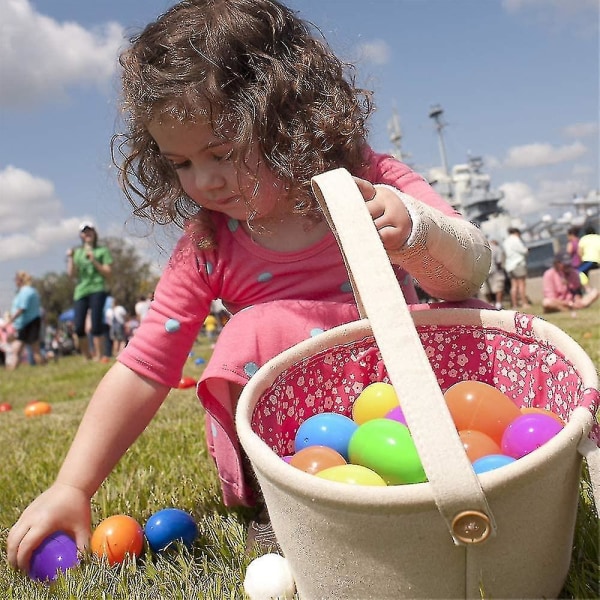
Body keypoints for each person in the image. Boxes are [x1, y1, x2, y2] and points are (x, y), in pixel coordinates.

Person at [7, 0, 491, 571]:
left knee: (471, 318)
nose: (204, 180)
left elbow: (468, 271)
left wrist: (416, 229)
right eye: (180, 163)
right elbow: (144, 367)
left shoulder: (367, 180)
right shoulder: (212, 242)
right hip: (292, 446)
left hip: (407, 402)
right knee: (254, 328)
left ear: (290, 117)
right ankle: (281, 506)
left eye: (222, 152)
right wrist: (73, 485)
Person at [66, 222, 113, 360]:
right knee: (79, 326)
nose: (88, 234)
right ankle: (87, 356)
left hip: (98, 288)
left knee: (96, 323)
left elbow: (108, 273)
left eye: (90, 231)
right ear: (81, 235)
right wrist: (70, 258)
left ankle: (99, 356)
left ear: (94, 233)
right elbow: (71, 274)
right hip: (81, 291)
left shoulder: (102, 250)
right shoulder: (78, 253)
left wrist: (94, 261)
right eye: (85, 232)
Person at [4, 271, 46, 370]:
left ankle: (43, 367)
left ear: (20, 280)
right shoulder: (26, 291)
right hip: (24, 324)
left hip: (29, 323)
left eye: (16, 279)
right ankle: (12, 370)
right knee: (17, 349)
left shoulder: (26, 291)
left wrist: (10, 320)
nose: (15, 282)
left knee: (35, 349)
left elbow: (22, 308)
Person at [502, 227, 529, 309]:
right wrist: (527, 250)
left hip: (510, 265)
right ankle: (524, 303)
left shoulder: (506, 241)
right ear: (517, 233)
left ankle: (514, 304)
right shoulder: (516, 240)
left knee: (514, 286)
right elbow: (523, 251)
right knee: (521, 284)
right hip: (518, 263)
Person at [485, 239, 506, 309]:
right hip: (494, 270)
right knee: (498, 288)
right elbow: (499, 262)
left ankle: (490, 303)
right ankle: (498, 304)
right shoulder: (497, 248)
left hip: (483, 271)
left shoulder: (482, 247)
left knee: (485, 289)